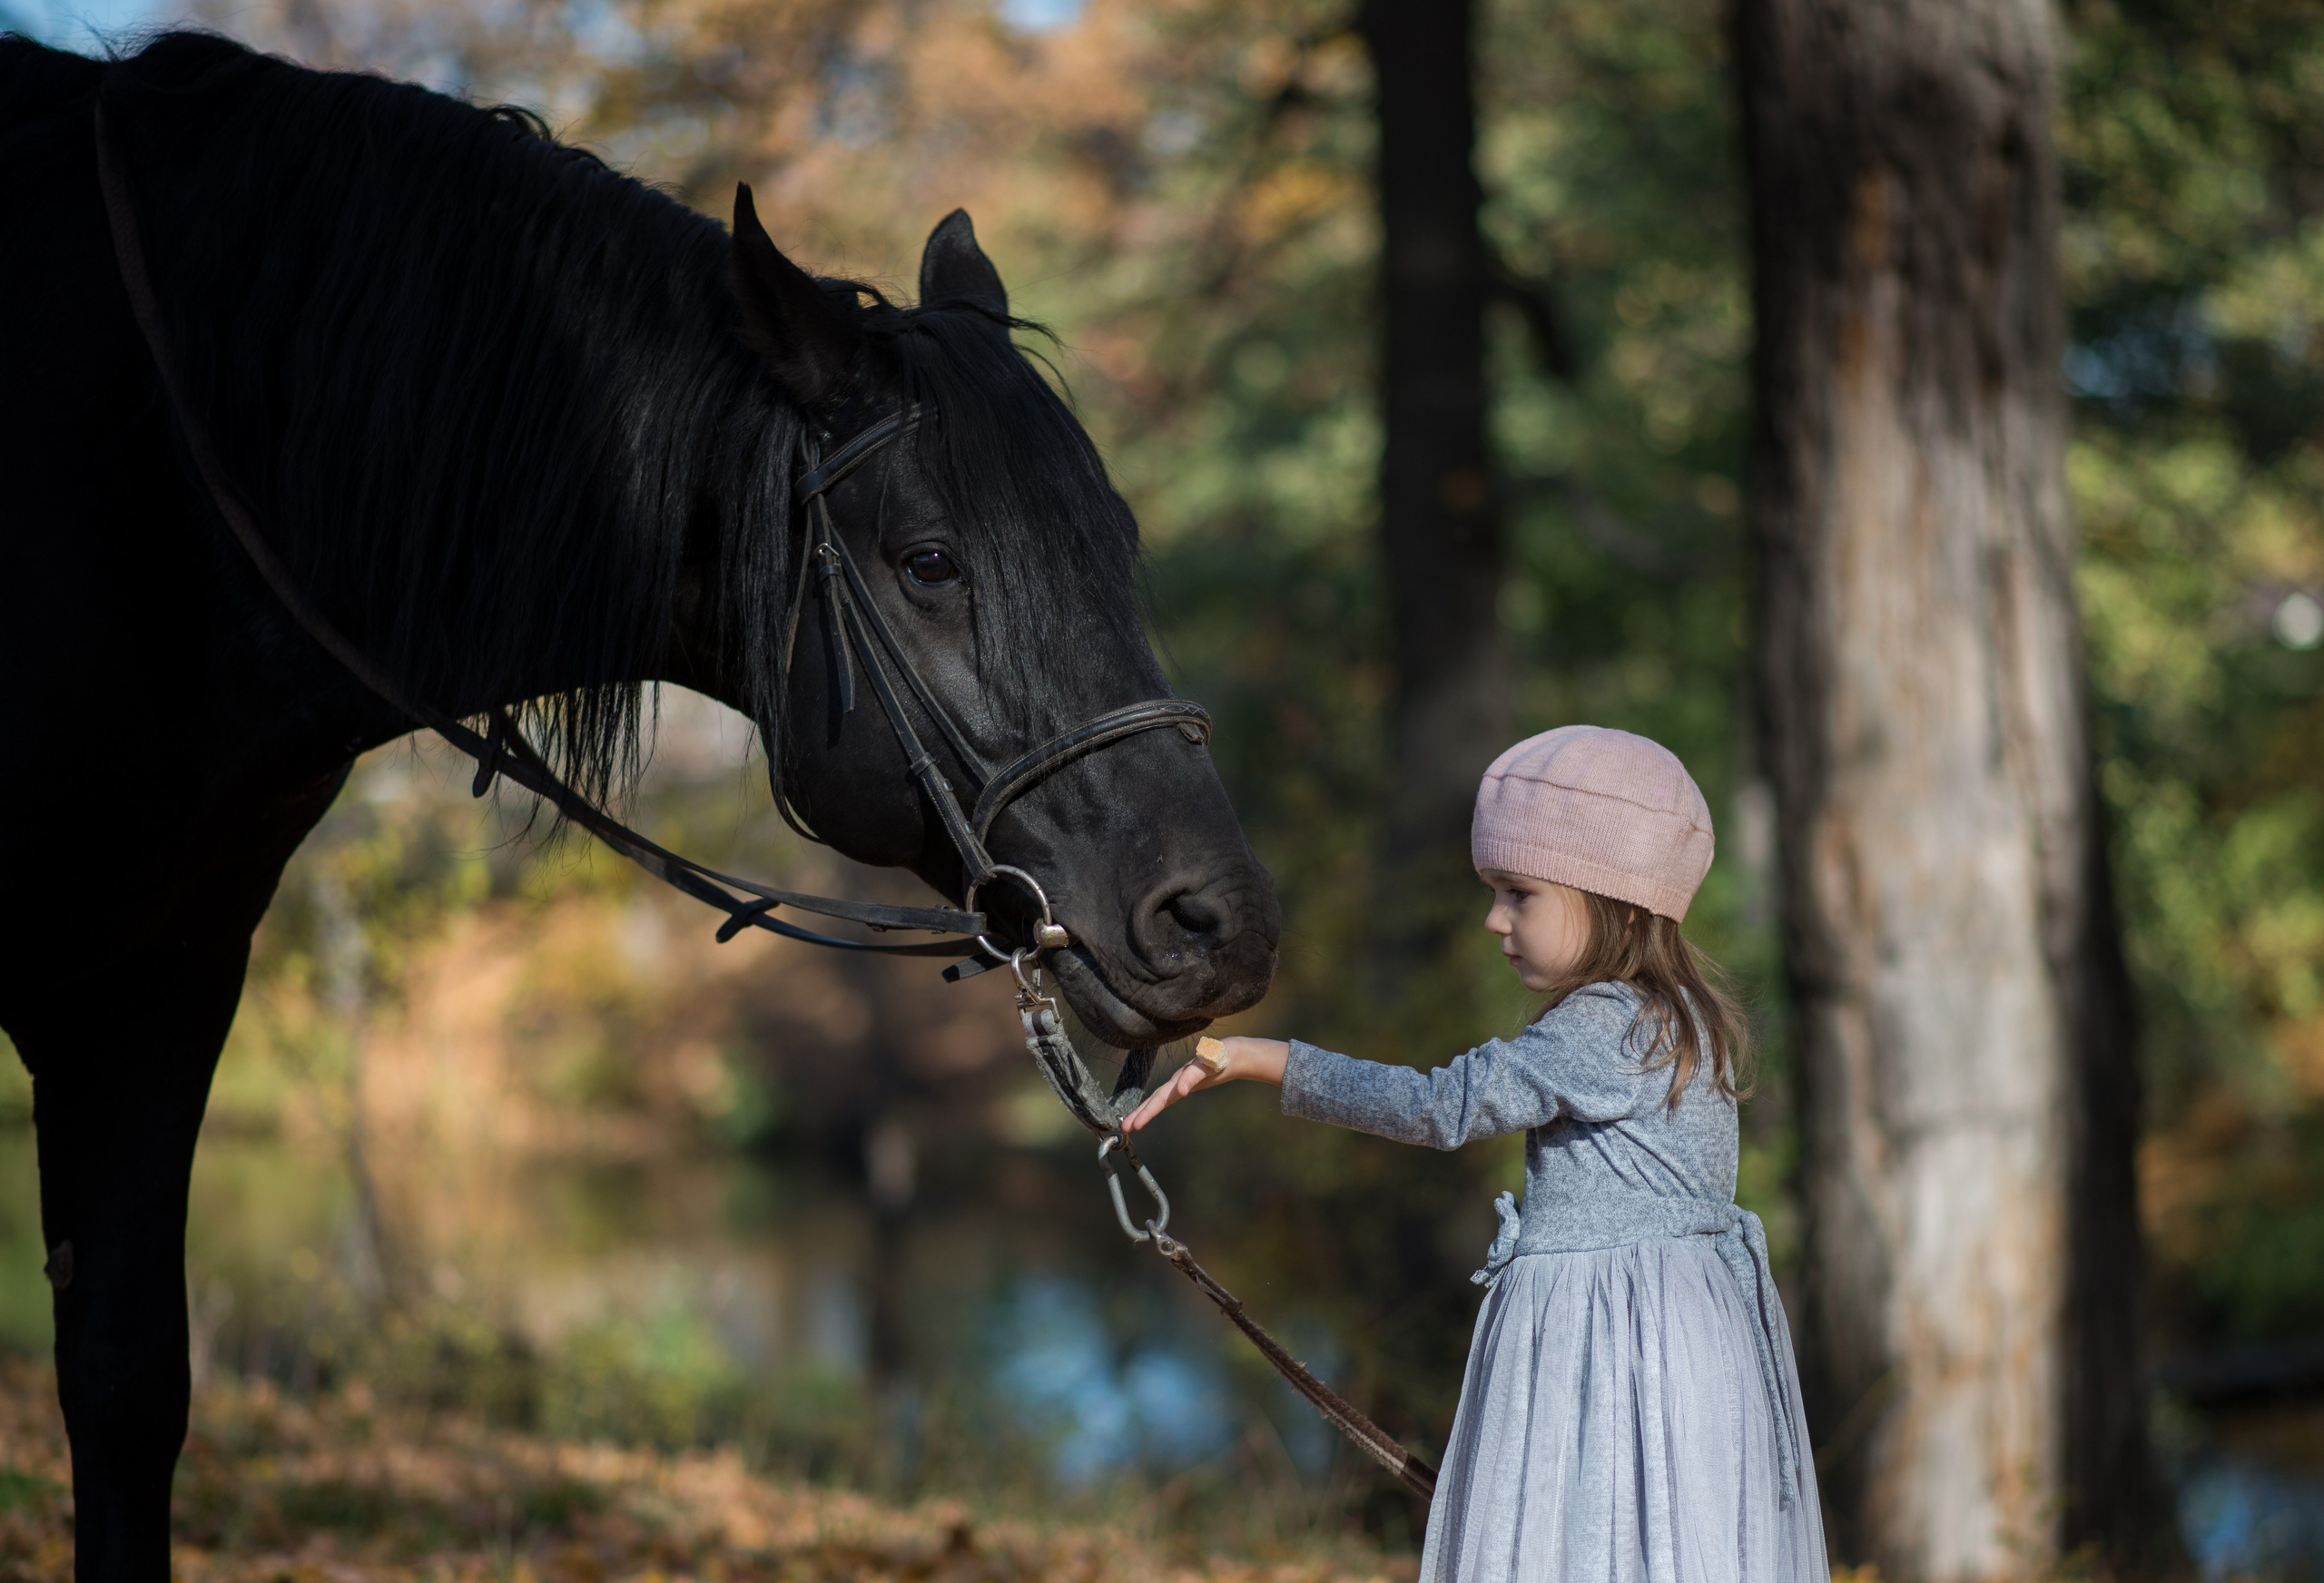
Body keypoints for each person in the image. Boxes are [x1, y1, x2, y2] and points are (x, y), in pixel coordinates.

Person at [1122, 724, 1828, 1583]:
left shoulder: (1604, 1023)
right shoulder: (1680, 1017)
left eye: (1518, 892)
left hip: (1609, 1342)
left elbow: (1441, 1106)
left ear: (1617, 897)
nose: (1495, 919)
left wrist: (1259, 1058)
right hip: (1682, 1338)